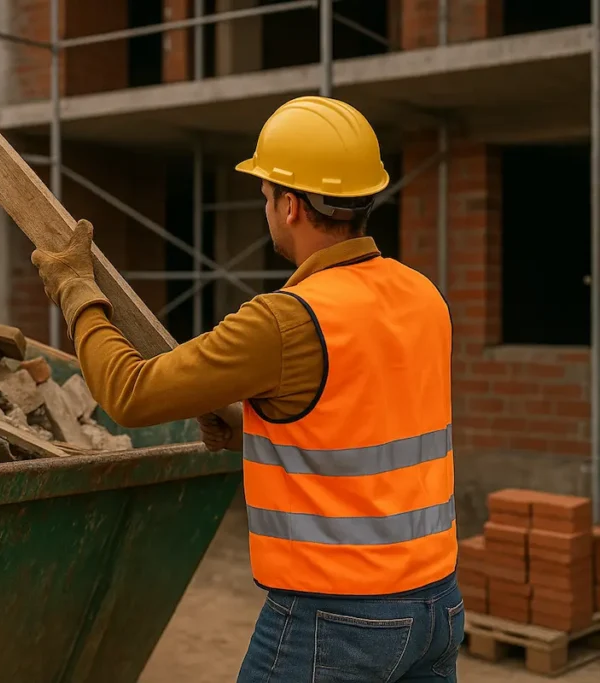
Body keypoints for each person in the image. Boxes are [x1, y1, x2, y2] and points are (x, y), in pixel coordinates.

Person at [31, 96, 462, 682]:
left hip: (335, 620)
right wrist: (250, 425)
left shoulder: (285, 321)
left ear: (290, 206)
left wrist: (76, 292)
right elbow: (362, 422)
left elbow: (129, 393)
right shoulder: (423, 296)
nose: (265, 207)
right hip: (436, 607)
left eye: (264, 195)